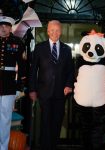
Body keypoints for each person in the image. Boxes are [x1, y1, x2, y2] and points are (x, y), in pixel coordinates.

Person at [29, 20, 74, 150]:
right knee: (46, 121)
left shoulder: (67, 49)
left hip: (61, 93)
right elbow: (33, 70)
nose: (55, 33)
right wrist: (32, 89)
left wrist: (68, 85)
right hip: (44, 92)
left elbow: (70, 70)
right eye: (52, 30)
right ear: (48, 31)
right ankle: (45, 147)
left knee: (57, 122)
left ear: (61, 32)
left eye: (57, 30)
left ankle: (53, 146)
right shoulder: (39, 48)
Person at [0, 15, 26, 150]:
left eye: (6, 26)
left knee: (5, 118)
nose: (3, 28)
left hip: (9, 84)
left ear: (10, 28)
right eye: (1, 26)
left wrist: (19, 86)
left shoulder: (18, 42)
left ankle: (3, 147)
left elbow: (22, 65)